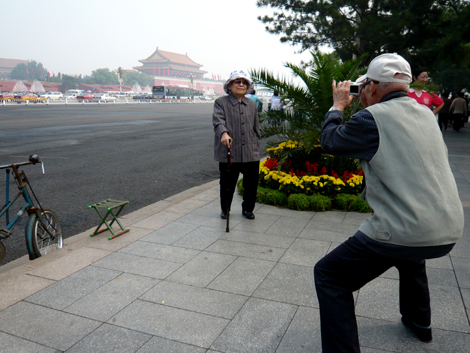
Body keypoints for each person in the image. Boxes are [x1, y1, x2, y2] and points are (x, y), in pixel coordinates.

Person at [315, 53, 464, 353]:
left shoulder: (371, 118)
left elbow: (330, 141)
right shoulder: (425, 113)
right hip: (447, 228)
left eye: (363, 87)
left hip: (405, 230)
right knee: (411, 252)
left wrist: (338, 105)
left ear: (371, 86)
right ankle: (419, 322)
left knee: (329, 276)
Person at [213, 70, 260, 220]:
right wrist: (224, 133)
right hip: (229, 152)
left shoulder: (252, 105)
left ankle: (248, 209)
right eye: (237, 81)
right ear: (230, 85)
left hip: (250, 152)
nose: (241, 84)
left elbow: (256, 128)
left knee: (251, 184)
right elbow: (218, 121)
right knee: (227, 185)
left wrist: (256, 145)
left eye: (244, 82)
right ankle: (225, 209)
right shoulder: (221, 102)